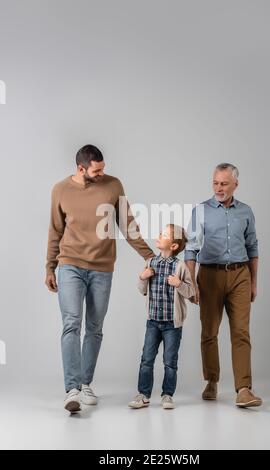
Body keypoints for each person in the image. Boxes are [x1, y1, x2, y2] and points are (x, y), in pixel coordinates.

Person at [45, 144, 155, 413]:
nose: (102, 173)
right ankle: (71, 389)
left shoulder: (113, 185)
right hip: (70, 265)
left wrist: (150, 256)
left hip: (102, 268)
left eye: (103, 168)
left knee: (94, 327)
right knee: (72, 323)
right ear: (81, 169)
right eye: (97, 170)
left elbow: (128, 225)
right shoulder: (60, 190)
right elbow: (55, 231)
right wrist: (49, 267)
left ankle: (85, 384)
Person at [185, 163, 262, 408]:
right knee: (209, 332)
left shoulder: (246, 212)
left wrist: (253, 282)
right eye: (215, 183)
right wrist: (191, 283)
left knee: (241, 332)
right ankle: (212, 381)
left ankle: (244, 389)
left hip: (240, 274)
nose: (219, 188)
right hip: (209, 275)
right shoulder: (201, 210)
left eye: (224, 183)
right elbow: (191, 249)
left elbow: (253, 248)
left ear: (235, 185)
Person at [128, 224, 194, 410]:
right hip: (153, 322)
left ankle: (167, 395)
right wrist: (143, 277)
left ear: (173, 246)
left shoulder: (180, 266)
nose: (159, 236)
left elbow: (190, 292)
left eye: (164, 235)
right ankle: (143, 394)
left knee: (170, 361)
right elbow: (142, 291)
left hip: (172, 324)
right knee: (146, 359)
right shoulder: (150, 263)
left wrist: (178, 283)